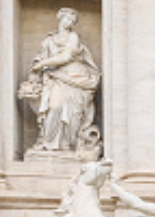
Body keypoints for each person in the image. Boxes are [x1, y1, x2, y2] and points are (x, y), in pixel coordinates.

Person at [24, 8, 100, 153]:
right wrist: (35, 71)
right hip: (55, 79)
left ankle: (66, 144)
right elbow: (39, 59)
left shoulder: (73, 37)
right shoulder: (48, 41)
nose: (69, 22)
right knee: (55, 107)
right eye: (67, 19)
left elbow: (66, 57)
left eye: (72, 20)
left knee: (73, 114)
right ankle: (49, 143)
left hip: (75, 78)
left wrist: (42, 64)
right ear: (60, 19)